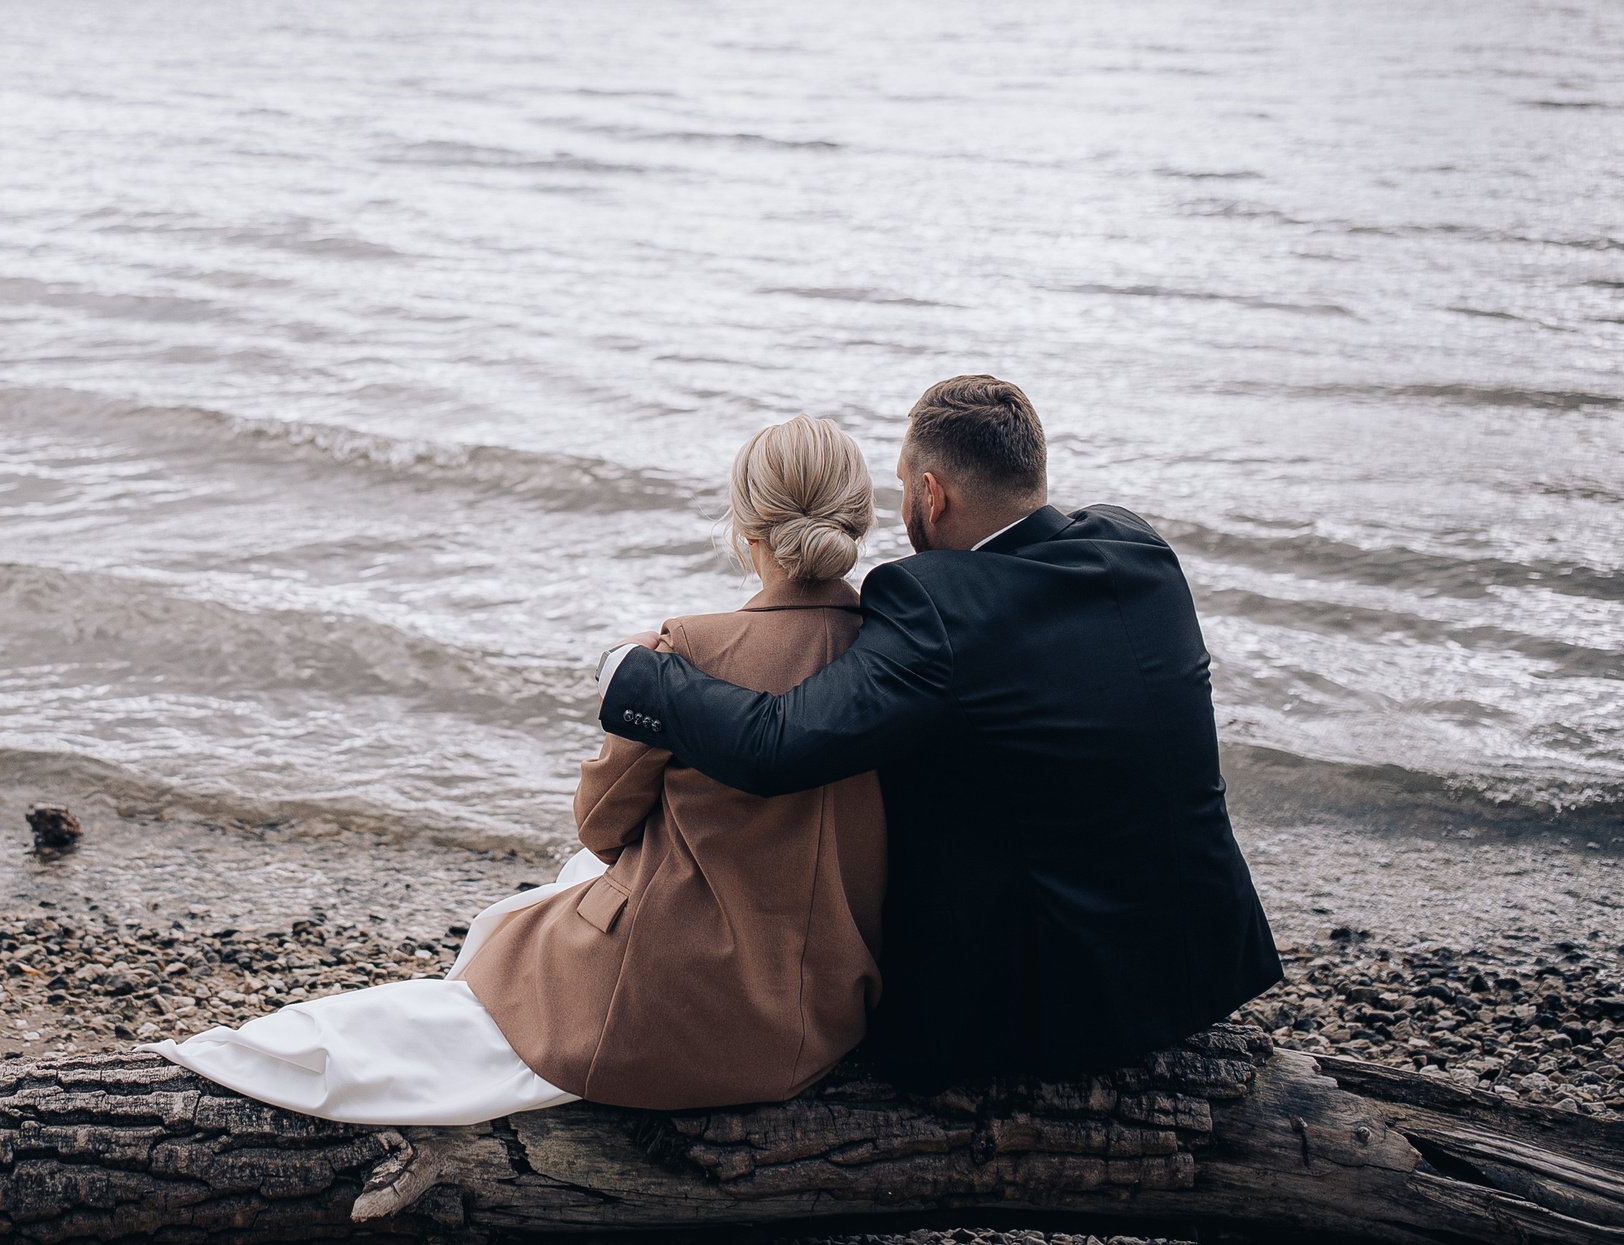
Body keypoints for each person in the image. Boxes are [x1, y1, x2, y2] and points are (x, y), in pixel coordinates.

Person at [147, 415, 890, 1121]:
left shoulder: (690, 652)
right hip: (822, 1016)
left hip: (675, 1010)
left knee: (513, 941)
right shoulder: (903, 664)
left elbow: (601, 826)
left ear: (746, 528)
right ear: (856, 521)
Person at [598, 375, 1281, 1093]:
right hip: (1202, 963)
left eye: (901, 486)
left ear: (931, 494)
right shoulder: (1138, 548)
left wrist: (635, 674)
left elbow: (776, 744)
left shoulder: (935, 602)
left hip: (1047, 1014)